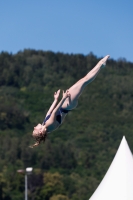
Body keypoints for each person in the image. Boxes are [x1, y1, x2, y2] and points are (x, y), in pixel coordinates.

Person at [31, 55, 110, 147]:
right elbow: (55, 111)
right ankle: (100, 64)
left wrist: (56, 99)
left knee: (83, 80)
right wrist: (64, 98)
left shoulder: (45, 124)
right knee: (84, 81)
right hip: (67, 104)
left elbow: (50, 111)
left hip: (67, 104)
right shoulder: (49, 125)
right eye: (35, 129)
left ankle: (101, 65)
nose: (34, 127)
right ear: (40, 132)